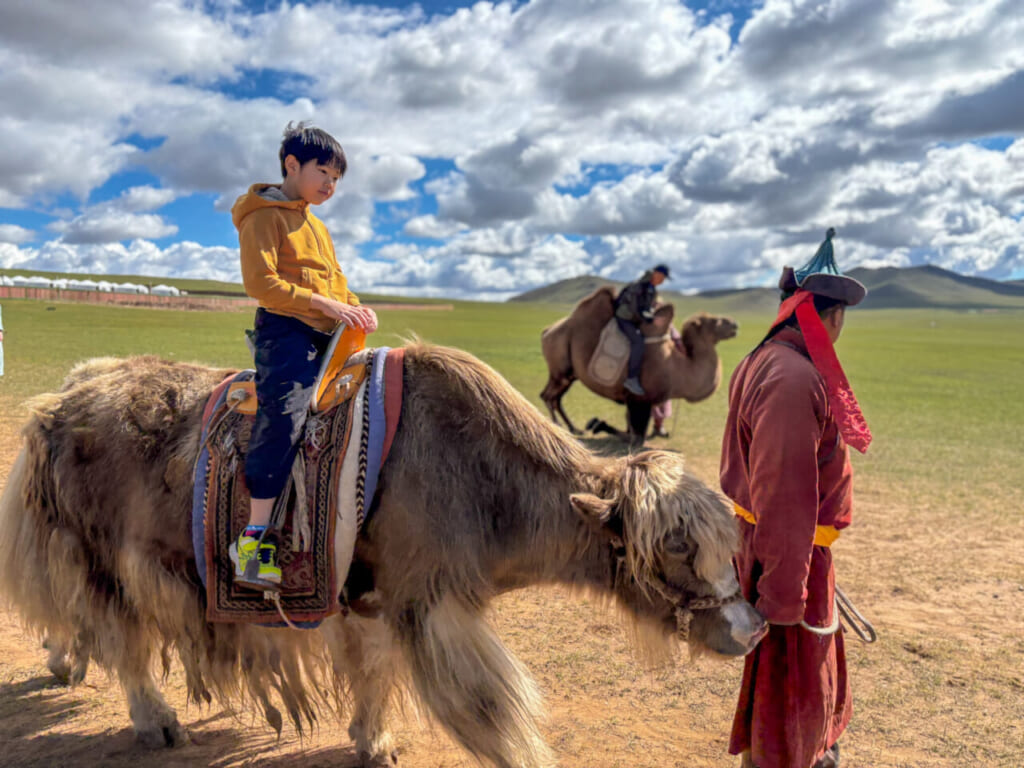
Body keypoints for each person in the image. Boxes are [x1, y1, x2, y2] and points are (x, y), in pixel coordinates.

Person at [719, 229, 871, 768]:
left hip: (789, 552)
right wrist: (785, 595)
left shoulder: (772, 360)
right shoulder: (791, 376)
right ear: (829, 317)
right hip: (787, 556)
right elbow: (782, 494)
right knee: (791, 691)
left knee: (790, 686)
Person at [229, 121, 378, 591]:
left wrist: (354, 306)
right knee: (286, 417)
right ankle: (253, 540)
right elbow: (261, 284)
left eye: (337, 178)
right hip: (286, 333)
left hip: (331, 337)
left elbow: (335, 283)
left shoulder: (318, 226)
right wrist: (324, 305)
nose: (330, 184)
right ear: (292, 165)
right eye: (324, 172)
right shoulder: (263, 216)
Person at [614, 264, 670, 396]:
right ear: (655, 274)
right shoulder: (640, 286)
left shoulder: (651, 288)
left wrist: (654, 308)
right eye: (661, 277)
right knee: (638, 342)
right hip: (625, 318)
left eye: (664, 279)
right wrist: (652, 320)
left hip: (635, 319)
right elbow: (635, 309)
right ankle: (631, 378)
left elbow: (645, 307)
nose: (662, 281)